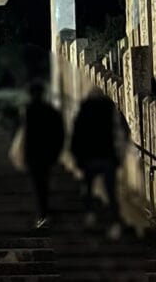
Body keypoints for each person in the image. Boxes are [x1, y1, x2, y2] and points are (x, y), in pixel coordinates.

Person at [71, 87, 130, 239]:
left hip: (89, 158)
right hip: (108, 158)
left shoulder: (83, 111)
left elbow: (77, 136)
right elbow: (121, 132)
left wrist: (77, 158)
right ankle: (115, 223)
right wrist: (119, 158)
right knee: (110, 192)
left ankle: (90, 216)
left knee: (88, 189)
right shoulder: (111, 110)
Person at [22, 81, 65, 230]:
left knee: (38, 185)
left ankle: (42, 214)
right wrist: (56, 152)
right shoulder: (51, 111)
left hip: (34, 155)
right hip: (46, 155)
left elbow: (25, 136)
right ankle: (44, 213)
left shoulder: (28, 111)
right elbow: (60, 133)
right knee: (43, 184)